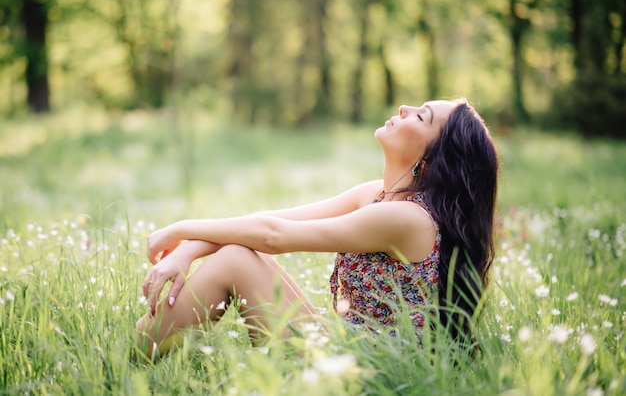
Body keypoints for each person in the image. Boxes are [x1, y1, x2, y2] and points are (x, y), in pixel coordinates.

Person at [136, 98, 499, 358]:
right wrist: (188, 249)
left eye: (421, 117)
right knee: (235, 252)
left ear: (431, 159)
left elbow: (272, 237)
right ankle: (138, 352)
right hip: (341, 353)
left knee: (235, 259)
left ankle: (128, 361)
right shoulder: (376, 195)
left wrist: (181, 229)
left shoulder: (408, 219)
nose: (404, 109)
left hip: (356, 375)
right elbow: (275, 221)